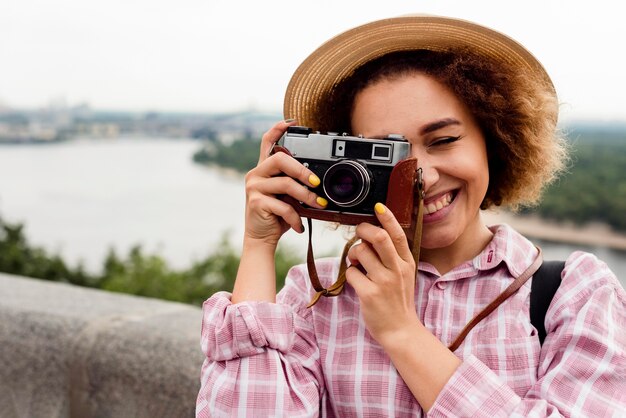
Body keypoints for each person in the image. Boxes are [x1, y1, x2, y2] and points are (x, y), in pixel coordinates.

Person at [196, 15, 626, 417]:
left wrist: (402, 331)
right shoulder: (315, 298)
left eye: (443, 140)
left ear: (495, 141)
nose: (422, 176)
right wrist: (258, 246)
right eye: (387, 154)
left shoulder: (575, 294)